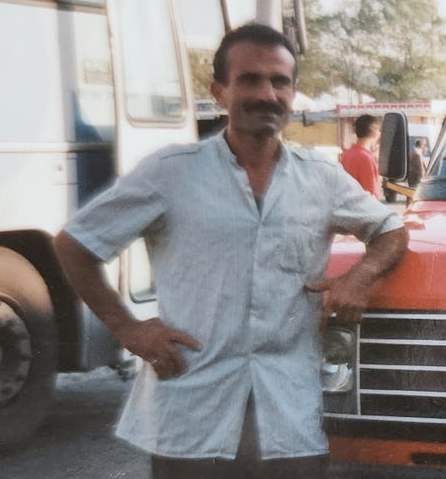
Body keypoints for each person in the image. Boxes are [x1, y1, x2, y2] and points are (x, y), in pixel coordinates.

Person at [52, 24, 407, 479]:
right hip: (193, 412)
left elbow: (390, 228)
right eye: (250, 80)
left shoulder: (321, 177)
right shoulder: (171, 173)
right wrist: (126, 328)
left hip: (288, 414)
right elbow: (74, 245)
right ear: (219, 92)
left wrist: (360, 275)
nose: (267, 93)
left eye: (280, 81)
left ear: (293, 92)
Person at [341, 114, 382, 198]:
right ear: (373, 129)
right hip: (363, 208)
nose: (379, 134)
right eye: (378, 130)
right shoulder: (366, 158)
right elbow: (370, 194)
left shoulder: (346, 154)